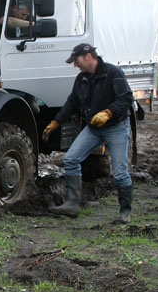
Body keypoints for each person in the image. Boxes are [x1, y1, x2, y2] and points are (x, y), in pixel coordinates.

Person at [42, 43, 134, 222]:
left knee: (120, 171)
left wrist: (108, 112)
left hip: (116, 127)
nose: (75, 64)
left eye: (76, 61)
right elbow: (72, 103)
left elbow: (127, 99)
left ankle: (125, 213)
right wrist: (56, 122)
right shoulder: (81, 79)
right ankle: (71, 205)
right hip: (93, 129)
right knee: (71, 159)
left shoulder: (113, 73)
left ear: (89, 56)